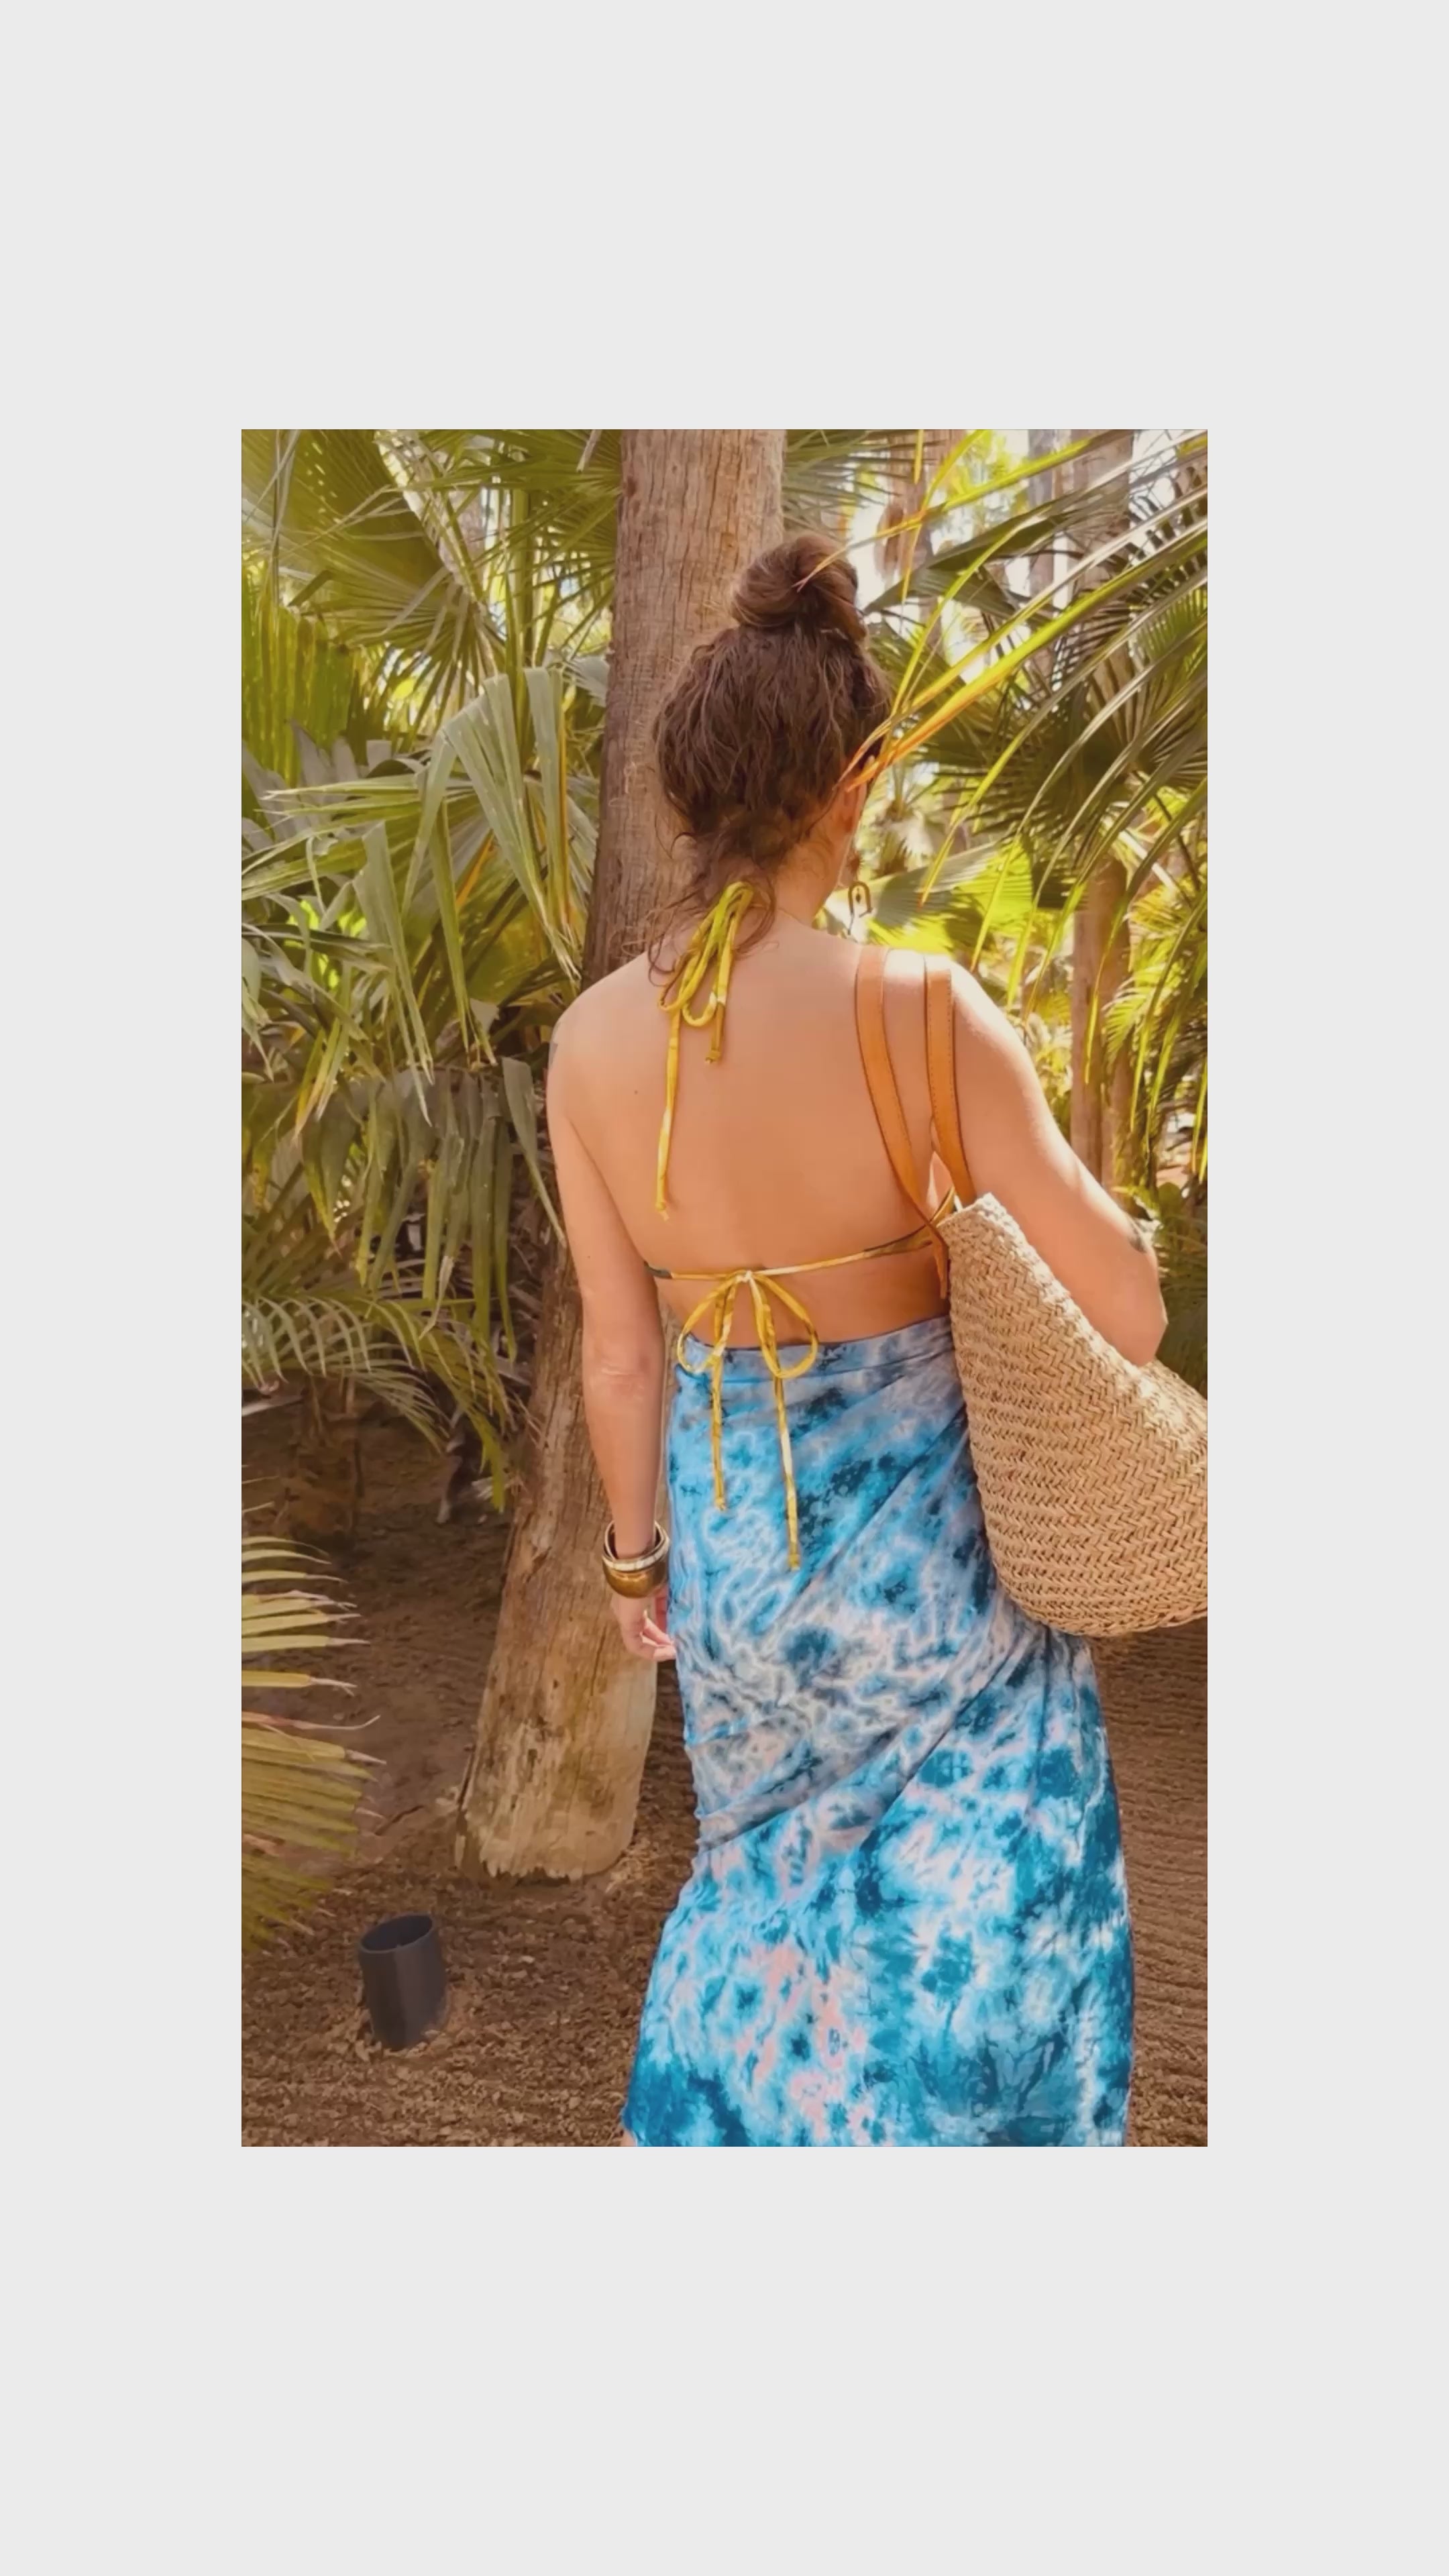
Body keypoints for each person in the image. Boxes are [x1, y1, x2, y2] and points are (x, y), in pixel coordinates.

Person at [545, 530, 1167, 2147]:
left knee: (767, 1905)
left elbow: (621, 1355)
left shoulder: (590, 1045)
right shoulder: (918, 1009)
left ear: (687, 798)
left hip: (739, 1553)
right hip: (935, 1576)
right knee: (987, 1914)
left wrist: (635, 1564)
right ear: (854, 784)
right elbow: (1129, 1309)